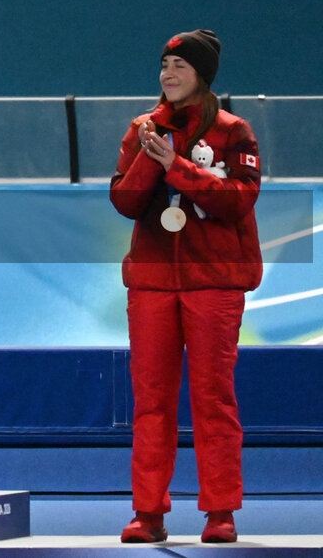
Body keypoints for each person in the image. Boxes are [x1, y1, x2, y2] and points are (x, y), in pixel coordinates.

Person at [110, 29, 262, 544]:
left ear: (202, 74)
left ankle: (220, 511)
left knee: (213, 397)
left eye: (179, 65)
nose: (168, 73)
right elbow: (125, 203)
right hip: (152, 283)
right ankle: (148, 512)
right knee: (151, 400)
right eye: (164, 64)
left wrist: (176, 167)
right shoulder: (142, 129)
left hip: (214, 282)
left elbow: (238, 201)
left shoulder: (234, 131)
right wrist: (148, 162)